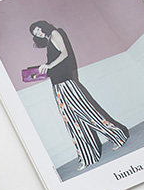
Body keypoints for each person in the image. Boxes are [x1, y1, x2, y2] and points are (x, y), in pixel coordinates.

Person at [29, 20, 129, 171]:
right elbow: (56, 63)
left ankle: (118, 135)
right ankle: (88, 156)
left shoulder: (55, 33)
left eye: (38, 29)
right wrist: (44, 70)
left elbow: (64, 53)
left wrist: (49, 65)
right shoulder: (49, 42)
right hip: (58, 86)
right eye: (35, 33)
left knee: (87, 113)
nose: (38, 33)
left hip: (66, 84)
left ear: (43, 26)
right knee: (71, 121)